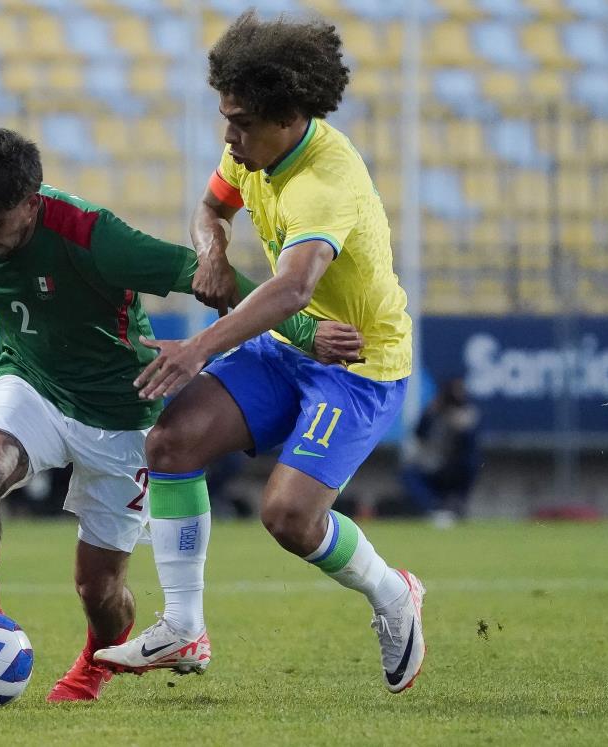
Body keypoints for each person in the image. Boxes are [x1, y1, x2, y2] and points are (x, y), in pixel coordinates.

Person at [0, 127, 362, 703]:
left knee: (99, 588)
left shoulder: (95, 238)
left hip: (122, 412)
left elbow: (211, 278)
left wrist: (306, 330)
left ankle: (94, 661)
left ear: (31, 203)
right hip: (31, 383)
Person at [96, 11, 427, 693]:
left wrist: (197, 349)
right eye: (226, 117)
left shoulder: (324, 182)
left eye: (240, 122)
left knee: (288, 516)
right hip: (286, 352)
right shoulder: (252, 150)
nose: (228, 135)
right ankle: (183, 625)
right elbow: (209, 208)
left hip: (357, 368)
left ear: (288, 116)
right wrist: (212, 247)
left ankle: (392, 592)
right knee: (171, 442)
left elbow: (293, 289)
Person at [399, 377, 481, 522]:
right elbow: (419, 433)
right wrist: (432, 412)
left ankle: (457, 504)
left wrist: (462, 427)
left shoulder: (468, 414)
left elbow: (471, 445)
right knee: (408, 472)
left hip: (456, 467)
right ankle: (433, 508)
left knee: (472, 462)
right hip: (433, 464)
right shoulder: (434, 411)